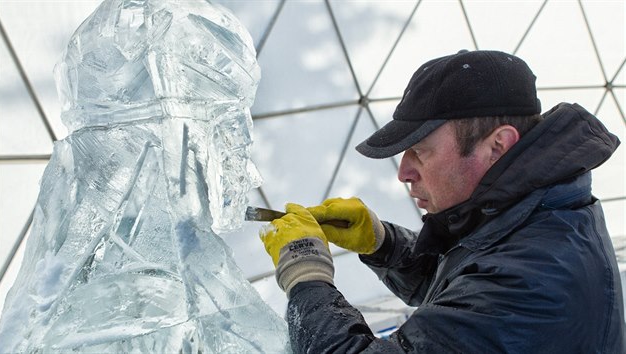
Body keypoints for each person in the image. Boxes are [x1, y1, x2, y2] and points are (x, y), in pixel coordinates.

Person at [259, 49, 625, 353]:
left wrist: (306, 275)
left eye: (419, 151)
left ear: (498, 145)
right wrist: (383, 244)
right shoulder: (534, 210)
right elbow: (465, 285)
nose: (403, 172)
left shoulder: (535, 277)